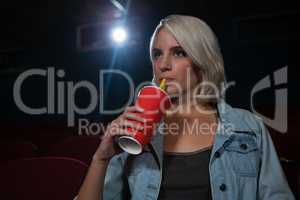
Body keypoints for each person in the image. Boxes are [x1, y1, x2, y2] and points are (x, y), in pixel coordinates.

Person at [76, 15, 295, 200]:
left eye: (179, 52)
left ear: (202, 61)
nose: (163, 65)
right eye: (157, 54)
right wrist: (101, 159)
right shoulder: (137, 126)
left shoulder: (248, 127)